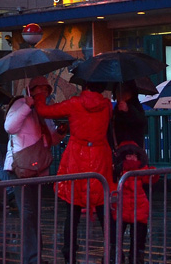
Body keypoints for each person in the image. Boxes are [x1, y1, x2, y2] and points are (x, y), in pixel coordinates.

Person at [33, 81, 114, 264]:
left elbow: (44, 111)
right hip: (100, 157)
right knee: (103, 208)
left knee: (73, 209)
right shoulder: (106, 105)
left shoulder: (74, 103)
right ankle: (112, 249)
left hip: (77, 159)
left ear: (84, 85)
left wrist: (39, 95)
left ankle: (69, 252)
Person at [5, 77, 58, 264]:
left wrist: (59, 133)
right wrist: (26, 106)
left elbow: (50, 137)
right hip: (20, 168)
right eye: (40, 89)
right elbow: (9, 126)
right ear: (32, 90)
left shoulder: (42, 110)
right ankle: (32, 257)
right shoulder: (20, 104)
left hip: (37, 169)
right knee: (28, 214)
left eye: (46, 89)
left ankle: (35, 255)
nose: (43, 92)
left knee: (34, 213)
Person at [113, 143, 157, 264]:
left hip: (136, 208)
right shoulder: (120, 170)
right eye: (129, 155)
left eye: (134, 155)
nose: (132, 158)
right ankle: (132, 257)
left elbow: (149, 179)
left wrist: (153, 173)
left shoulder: (135, 170)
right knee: (131, 239)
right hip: (127, 208)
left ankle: (132, 257)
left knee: (136, 239)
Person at [111, 82, 148, 148]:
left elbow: (142, 122)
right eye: (118, 91)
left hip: (134, 147)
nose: (121, 94)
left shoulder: (135, 106)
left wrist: (128, 111)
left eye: (125, 91)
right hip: (119, 147)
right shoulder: (116, 108)